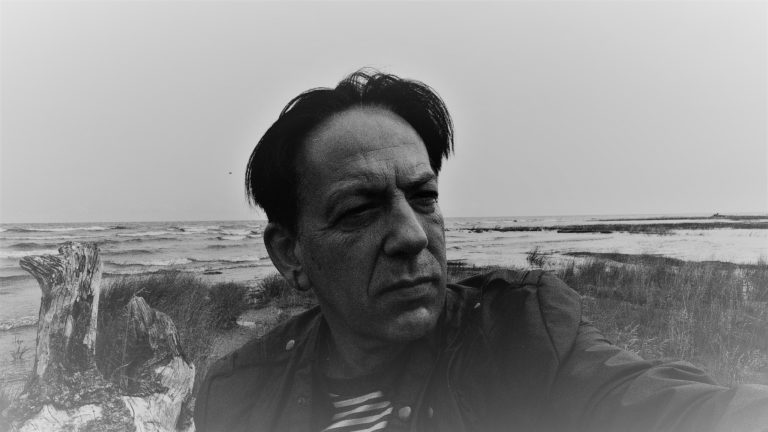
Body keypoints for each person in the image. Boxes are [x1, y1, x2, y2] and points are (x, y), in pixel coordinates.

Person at [194, 70, 768, 432]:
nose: (414, 235)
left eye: (424, 198)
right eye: (359, 210)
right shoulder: (236, 393)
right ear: (290, 254)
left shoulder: (519, 335)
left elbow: (671, 407)